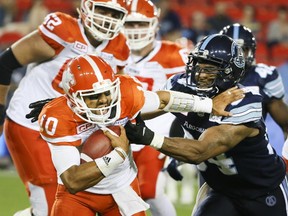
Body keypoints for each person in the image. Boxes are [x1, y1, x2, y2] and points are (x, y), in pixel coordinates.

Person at [31, 53, 243, 215]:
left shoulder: (125, 93)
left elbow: (162, 100)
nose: (104, 100)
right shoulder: (58, 117)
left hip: (122, 188)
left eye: (107, 92)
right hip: (78, 197)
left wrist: (207, 104)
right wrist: (118, 155)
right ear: (73, 98)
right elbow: (73, 181)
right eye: (94, 97)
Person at [107, 34, 288, 216]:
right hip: (222, 191)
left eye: (209, 69)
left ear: (229, 71)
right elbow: (147, 107)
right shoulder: (181, 85)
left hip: (263, 189)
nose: (200, 75)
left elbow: (200, 151)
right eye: (197, 66)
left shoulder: (244, 103)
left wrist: (149, 137)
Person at [0, 0, 130, 215]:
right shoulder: (63, 29)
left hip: (75, 130)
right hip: (32, 123)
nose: (107, 18)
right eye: (102, 10)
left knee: (74, 203)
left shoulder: (120, 46)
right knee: (49, 203)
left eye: (114, 13)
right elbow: (5, 63)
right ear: (87, 7)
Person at [123, 0, 186, 215]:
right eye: (130, 24)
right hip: (120, 128)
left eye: (141, 24)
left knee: (148, 189)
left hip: (157, 128)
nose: (135, 31)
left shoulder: (174, 54)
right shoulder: (113, 54)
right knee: (118, 190)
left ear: (155, 25)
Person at [220, 23, 288, 168]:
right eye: (233, 50)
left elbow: (286, 124)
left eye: (242, 50)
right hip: (216, 151)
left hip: (254, 152)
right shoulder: (210, 76)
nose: (237, 56)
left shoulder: (263, 76)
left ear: (251, 51)